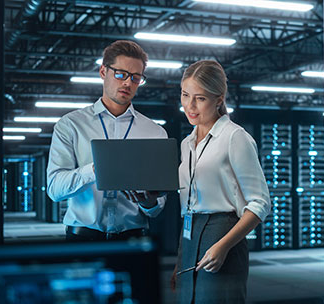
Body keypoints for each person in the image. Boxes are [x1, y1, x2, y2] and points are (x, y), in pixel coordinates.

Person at [46, 40, 167, 241]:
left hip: (133, 241)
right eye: (121, 74)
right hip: (83, 241)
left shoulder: (154, 132)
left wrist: (149, 201)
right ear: (103, 72)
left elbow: (156, 210)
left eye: (136, 78)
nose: (128, 83)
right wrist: (96, 169)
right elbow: (55, 190)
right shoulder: (71, 125)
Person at [171, 60, 271, 303]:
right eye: (185, 95)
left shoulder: (235, 137)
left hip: (223, 234)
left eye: (200, 98)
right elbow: (189, 207)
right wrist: (179, 260)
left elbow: (260, 204)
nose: (190, 106)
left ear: (219, 99)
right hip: (189, 236)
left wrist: (223, 245)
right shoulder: (187, 144)